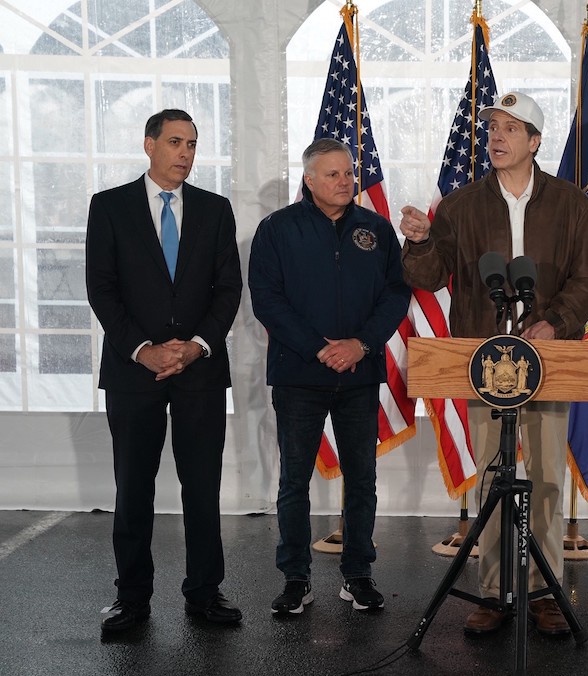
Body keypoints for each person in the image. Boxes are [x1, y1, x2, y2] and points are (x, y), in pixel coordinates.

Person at [399, 91, 588, 637]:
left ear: (535, 142)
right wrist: (418, 242)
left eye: (511, 129)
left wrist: (554, 323)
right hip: (484, 363)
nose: (496, 136)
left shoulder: (570, 203)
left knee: (543, 478)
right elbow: (428, 277)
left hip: (551, 359)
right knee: (493, 475)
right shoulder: (462, 204)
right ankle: (493, 591)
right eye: (492, 127)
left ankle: (542, 592)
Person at [86, 108, 243, 632]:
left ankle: (204, 593)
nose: (186, 153)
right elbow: (101, 288)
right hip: (134, 373)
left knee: (202, 486)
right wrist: (142, 349)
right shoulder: (109, 207)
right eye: (176, 142)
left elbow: (228, 290)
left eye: (193, 145)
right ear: (149, 144)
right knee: (134, 487)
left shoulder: (216, 210)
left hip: (199, 371)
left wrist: (197, 346)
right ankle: (132, 599)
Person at [248, 138, 411, 617]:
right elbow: (268, 300)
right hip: (299, 375)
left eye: (348, 173)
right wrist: (320, 349)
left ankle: (358, 574)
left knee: (362, 478)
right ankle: (296, 579)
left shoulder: (377, 230)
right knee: (294, 482)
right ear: (309, 180)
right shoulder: (277, 230)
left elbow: (395, 295)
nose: (345, 181)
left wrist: (360, 344)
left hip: (360, 374)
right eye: (334, 174)